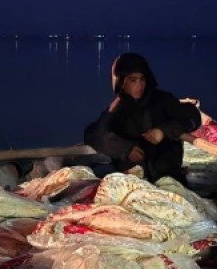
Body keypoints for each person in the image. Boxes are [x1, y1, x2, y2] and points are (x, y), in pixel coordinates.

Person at [84, 52, 201, 183]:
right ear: (122, 82)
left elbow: (193, 117)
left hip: (167, 176)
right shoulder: (117, 108)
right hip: (133, 178)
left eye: (142, 79)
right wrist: (125, 149)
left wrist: (163, 131)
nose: (139, 86)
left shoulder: (163, 100)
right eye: (133, 80)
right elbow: (93, 134)